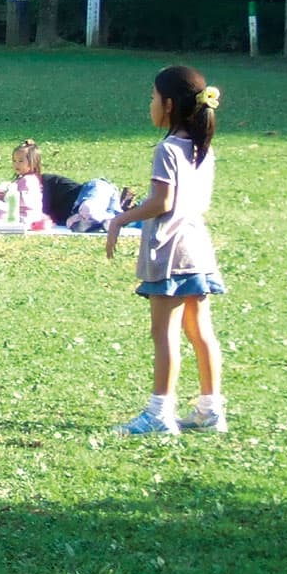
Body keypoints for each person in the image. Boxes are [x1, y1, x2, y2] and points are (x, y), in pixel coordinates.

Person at [103, 65, 226, 436]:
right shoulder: (203, 149)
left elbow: (161, 201)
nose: (151, 103)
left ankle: (159, 413)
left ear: (169, 105)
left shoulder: (168, 148)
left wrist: (120, 219)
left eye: (154, 97)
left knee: (165, 334)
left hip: (170, 250)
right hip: (198, 249)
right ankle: (211, 410)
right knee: (200, 331)